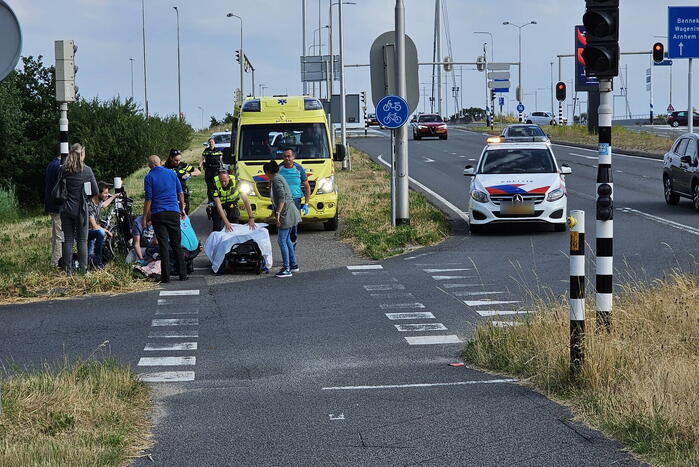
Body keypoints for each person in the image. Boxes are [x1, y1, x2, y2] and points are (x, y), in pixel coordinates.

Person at [143, 154, 187, 283]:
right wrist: (182, 208)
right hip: (173, 211)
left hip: (158, 214)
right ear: (160, 162)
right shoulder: (172, 174)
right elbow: (180, 192)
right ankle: (182, 274)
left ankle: (165, 276)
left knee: (163, 245)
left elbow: (148, 199)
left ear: (150, 165)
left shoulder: (149, 177)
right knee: (176, 244)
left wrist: (145, 217)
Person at [59, 143, 98, 274]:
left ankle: (68, 270)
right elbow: (95, 191)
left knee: (68, 239)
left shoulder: (64, 169)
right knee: (82, 240)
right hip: (81, 209)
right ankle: (83, 269)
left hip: (65, 209)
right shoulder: (87, 170)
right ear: (81, 154)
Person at [263, 160, 301, 278]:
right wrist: (273, 214)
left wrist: (278, 214)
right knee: (287, 239)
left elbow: (282, 199)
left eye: (266, 172)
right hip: (290, 212)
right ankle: (293, 264)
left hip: (286, 214)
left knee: (282, 240)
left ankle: (286, 268)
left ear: (268, 172)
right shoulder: (278, 178)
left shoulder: (276, 180)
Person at [278, 148, 311, 245]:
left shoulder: (299, 168)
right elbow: (272, 185)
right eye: (285, 156)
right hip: (282, 201)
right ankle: (286, 250)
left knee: (293, 225)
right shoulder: (279, 168)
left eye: (289, 156)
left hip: (295, 200)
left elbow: (307, 186)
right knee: (283, 226)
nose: (287, 158)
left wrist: (306, 203)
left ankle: (293, 245)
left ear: (293, 157)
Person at [87, 181, 119, 268]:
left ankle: (92, 262)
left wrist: (114, 196)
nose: (107, 195)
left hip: (91, 231)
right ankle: (98, 260)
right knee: (101, 232)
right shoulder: (89, 205)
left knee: (88, 258)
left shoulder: (98, 202)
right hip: (84, 233)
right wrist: (106, 231)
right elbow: (94, 226)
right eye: (105, 193)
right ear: (98, 193)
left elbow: (104, 204)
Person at [164, 148, 200, 214]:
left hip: (183, 192)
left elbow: (198, 172)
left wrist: (189, 174)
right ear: (171, 158)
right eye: (176, 160)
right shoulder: (165, 167)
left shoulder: (183, 165)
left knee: (185, 212)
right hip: (171, 194)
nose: (178, 162)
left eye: (180, 160)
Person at [44, 150, 63, 267]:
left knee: (56, 235)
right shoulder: (60, 166)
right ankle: (57, 262)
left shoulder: (51, 164)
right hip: (58, 205)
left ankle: (55, 259)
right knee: (59, 236)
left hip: (51, 204)